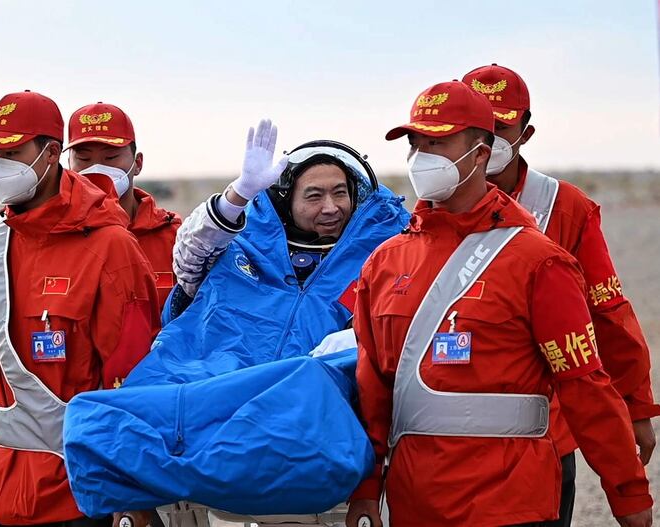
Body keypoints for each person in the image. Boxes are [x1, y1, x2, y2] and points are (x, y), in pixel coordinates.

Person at [61, 119, 410, 524]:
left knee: (310, 379)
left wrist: (353, 341)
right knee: (101, 416)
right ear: (285, 200)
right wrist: (238, 195)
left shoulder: (384, 252)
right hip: (214, 381)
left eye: (340, 194)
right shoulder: (242, 244)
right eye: (313, 195)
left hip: (305, 425)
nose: (330, 207)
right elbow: (189, 257)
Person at [346, 81, 652, 527]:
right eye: (416, 143)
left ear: (481, 153)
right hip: (413, 504)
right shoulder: (385, 263)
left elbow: (586, 385)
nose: (422, 157)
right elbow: (373, 388)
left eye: (439, 141)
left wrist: (628, 493)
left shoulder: (540, 262)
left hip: (514, 503)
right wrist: (368, 487)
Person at [0, 90, 161, 527]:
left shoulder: (110, 247)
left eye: (11, 151)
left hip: (83, 494)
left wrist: (130, 487)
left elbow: (134, 376)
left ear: (49, 154)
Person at [462, 63, 659, 526]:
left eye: (500, 128)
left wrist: (635, 405)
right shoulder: (431, 210)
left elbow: (607, 310)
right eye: (474, 129)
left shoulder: (564, 207)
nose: (486, 142)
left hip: (544, 432)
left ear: (525, 133)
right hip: (447, 433)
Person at [66, 102, 181, 309]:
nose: (97, 168)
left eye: (111, 157)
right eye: (83, 158)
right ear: (68, 165)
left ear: (137, 163)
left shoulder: (175, 238)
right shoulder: (58, 238)